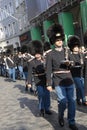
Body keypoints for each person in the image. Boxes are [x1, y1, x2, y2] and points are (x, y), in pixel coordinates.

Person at [46, 23, 78, 130]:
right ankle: (60, 115)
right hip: (58, 81)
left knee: (72, 101)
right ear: (53, 42)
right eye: (57, 40)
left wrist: (71, 63)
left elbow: (74, 62)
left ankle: (71, 121)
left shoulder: (67, 51)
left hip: (69, 79)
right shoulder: (50, 54)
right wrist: (49, 84)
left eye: (60, 39)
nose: (59, 41)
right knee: (63, 101)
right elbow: (49, 70)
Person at [27, 40, 52, 116]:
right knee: (41, 94)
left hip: (45, 78)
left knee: (47, 94)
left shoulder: (45, 59)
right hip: (38, 80)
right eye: (35, 53)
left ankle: (47, 108)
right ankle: (41, 108)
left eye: (38, 53)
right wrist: (29, 82)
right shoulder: (31, 62)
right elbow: (29, 73)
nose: (37, 55)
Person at [68, 35, 87, 106]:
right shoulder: (70, 55)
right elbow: (69, 65)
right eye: (74, 47)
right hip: (74, 74)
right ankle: (84, 99)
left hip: (81, 73)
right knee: (80, 86)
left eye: (77, 46)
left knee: (80, 87)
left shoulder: (81, 55)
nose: (76, 48)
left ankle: (78, 99)